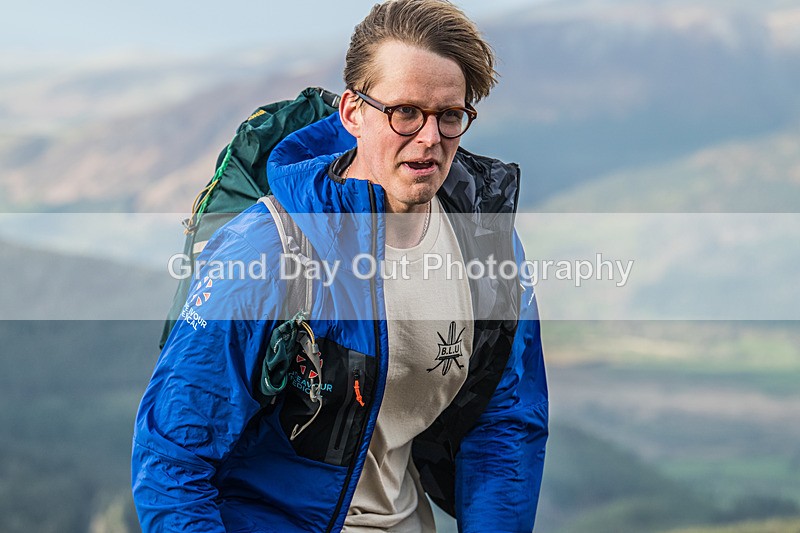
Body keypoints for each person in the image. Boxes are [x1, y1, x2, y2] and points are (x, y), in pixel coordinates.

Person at [131, 1, 548, 531]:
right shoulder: (270, 247)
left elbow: (503, 423)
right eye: (405, 112)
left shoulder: (487, 246)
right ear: (353, 112)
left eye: (449, 115)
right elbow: (172, 461)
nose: (429, 138)